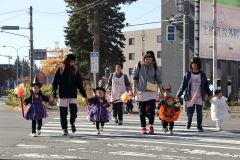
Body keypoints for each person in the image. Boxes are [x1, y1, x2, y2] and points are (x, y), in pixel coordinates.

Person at [52, 53, 88, 135]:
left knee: (74, 111)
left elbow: (79, 84)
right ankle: (64, 128)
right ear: (67, 61)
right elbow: (55, 83)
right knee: (63, 113)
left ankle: (72, 123)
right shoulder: (60, 70)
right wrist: (54, 92)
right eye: (72, 61)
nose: (73, 63)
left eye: (73, 62)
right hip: (63, 94)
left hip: (72, 94)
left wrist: (84, 95)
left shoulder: (75, 71)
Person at [176, 57, 212, 132]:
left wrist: (209, 94)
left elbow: (206, 85)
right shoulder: (188, 74)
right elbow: (183, 86)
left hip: (199, 96)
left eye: (195, 64)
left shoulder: (202, 74)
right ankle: (189, 122)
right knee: (190, 112)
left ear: (198, 64)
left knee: (199, 112)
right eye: (192, 64)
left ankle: (199, 126)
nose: (194, 65)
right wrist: (178, 95)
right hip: (190, 96)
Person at [132, 50, 162, 134]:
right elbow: (135, 77)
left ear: (153, 59)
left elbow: (159, 80)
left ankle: (151, 126)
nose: (148, 59)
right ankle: (143, 127)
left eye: (150, 58)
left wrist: (161, 92)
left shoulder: (155, 67)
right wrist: (134, 88)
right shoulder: (139, 65)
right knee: (142, 111)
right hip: (141, 91)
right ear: (144, 58)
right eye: (147, 58)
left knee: (152, 109)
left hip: (151, 92)